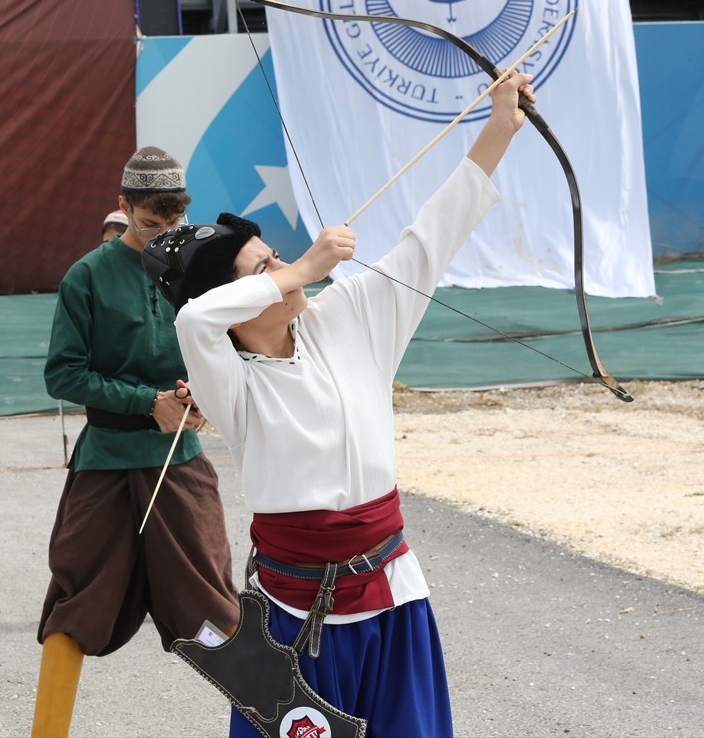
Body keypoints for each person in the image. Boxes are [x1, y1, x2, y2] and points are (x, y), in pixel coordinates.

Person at [143, 73, 538, 736]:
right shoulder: (229, 381)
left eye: (277, 257)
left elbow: (429, 241)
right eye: (263, 269)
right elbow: (194, 321)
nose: (283, 269)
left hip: (393, 596)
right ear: (230, 302)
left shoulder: (349, 315)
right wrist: (302, 268)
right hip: (293, 617)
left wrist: (500, 127)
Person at [32, 147, 239, 737]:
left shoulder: (201, 269)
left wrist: (200, 396)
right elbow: (63, 375)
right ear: (123, 207)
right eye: (149, 223)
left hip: (181, 461)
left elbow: (227, 348)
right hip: (106, 461)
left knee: (218, 610)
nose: (161, 236)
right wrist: (147, 402)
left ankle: (283, 724)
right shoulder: (87, 275)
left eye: (173, 223)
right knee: (74, 602)